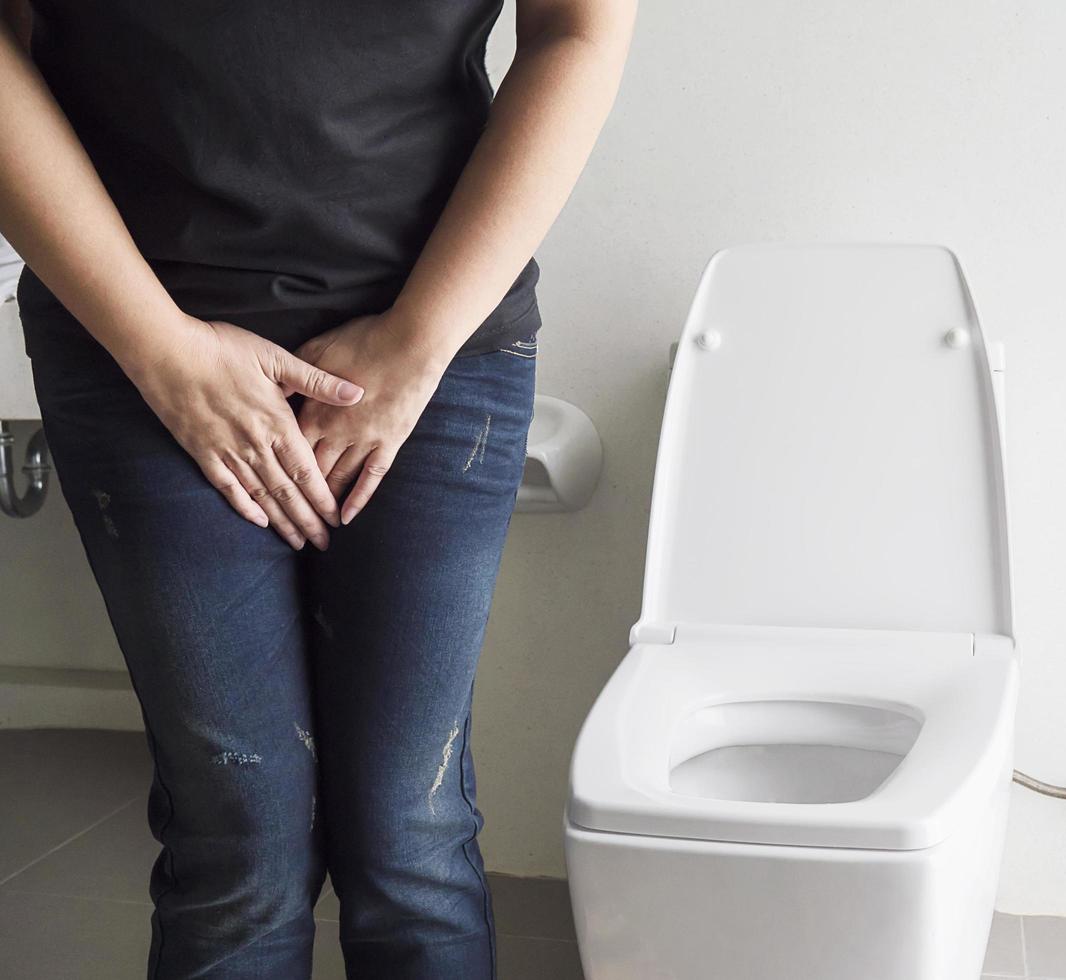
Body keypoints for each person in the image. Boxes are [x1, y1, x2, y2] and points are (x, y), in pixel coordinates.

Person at [0, 0, 635, 975]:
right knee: (237, 840)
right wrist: (161, 350)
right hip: (137, 337)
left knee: (409, 833)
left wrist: (417, 344)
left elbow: (578, 31)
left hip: (436, 331)